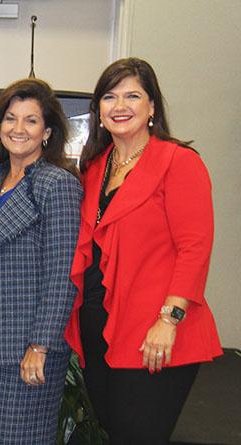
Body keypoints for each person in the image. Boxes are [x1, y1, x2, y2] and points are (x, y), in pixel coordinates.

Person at [64, 57, 223, 444]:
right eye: (110, 97)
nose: (120, 106)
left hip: (154, 332)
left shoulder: (179, 162)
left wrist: (169, 320)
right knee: (113, 430)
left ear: (152, 106)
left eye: (132, 96)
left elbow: (194, 248)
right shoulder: (94, 168)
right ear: (99, 111)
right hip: (100, 329)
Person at [0, 78, 82, 444]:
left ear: (47, 132)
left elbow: (62, 275)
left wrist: (40, 345)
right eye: (10, 118)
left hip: (24, 351)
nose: (18, 128)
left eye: (31, 121)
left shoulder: (57, 184)